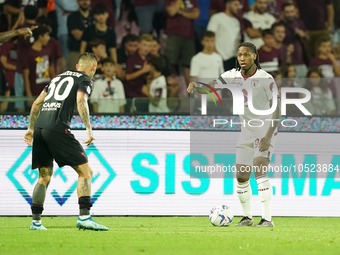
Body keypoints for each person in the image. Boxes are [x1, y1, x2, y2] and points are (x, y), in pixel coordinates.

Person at [187, 42, 280, 227]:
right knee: (241, 177)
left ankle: (267, 219)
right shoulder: (232, 75)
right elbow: (212, 88)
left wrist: (268, 136)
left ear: (255, 56)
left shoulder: (266, 78)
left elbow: (277, 109)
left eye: (246, 54)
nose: (242, 58)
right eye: (239, 55)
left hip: (264, 130)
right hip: (246, 132)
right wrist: (198, 86)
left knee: (260, 170)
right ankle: (247, 218)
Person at [23, 52, 108, 231]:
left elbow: (36, 104)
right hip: (58, 128)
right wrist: (88, 128)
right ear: (93, 68)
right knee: (86, 172)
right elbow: (81, 100)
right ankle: (84, 217)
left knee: (43, 176)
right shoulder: (85, 79)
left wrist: (30, 128)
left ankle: (36, 222)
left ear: (77, 65)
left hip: (40, 128)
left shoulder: (56, 78)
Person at [164, 0, 200, 85]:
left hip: (189, 35)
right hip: (174, 35)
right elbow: (172, 12)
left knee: (189, 64)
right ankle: (171, 89)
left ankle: (191, 93)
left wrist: (180, 12)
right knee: (170, 62)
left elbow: (197, 14)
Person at [207, 0, 241, 71]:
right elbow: (209, 37)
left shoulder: (236, 22)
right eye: (235, 5)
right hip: (220, 59)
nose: (238, 7)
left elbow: (238, 41)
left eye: (238, 5)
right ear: (228, 5)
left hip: (233, 60)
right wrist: (217, 56)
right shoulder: (216, 18)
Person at [22, 25, 55, 98]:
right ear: (40, 37)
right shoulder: (29, 54)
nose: (48, 38)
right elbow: (26, 76)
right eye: (47, 35)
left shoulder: (48, 51)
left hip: (48, 91)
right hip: (35, 91)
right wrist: (29, 95)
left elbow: (51, 70)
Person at [280, 2, 308, 78]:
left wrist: (304, 35)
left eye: (292, 12)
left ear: (295, 11)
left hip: (300, 59)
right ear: (282, 12)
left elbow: (307, 38)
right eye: (287, 12)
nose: (290, 14)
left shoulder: (300, 22)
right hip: (285, 60)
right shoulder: (279, 24)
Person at [67, 0, 94, 70]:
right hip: (77, 51)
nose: (85, 2)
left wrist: (84, 33)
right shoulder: (72, 17)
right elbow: (77, 35)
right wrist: (91, 33)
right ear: (77, 2)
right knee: (76, 77)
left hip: (94, 52)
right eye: (82, 0)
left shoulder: (94, 15)